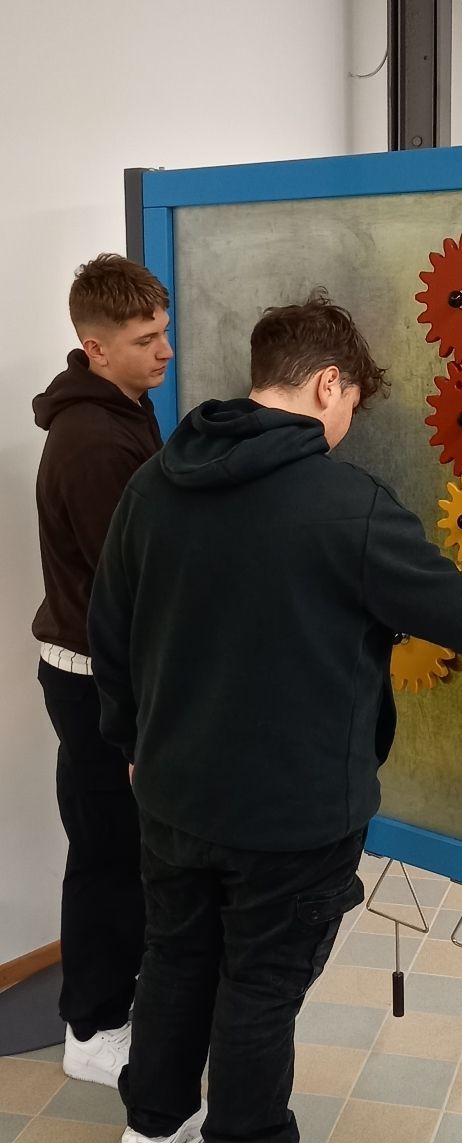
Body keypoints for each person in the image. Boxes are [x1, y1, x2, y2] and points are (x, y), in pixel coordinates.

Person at [88, 290, 462, 1143]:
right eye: (351, 404)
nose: (346, 425)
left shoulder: (156, 482)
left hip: (173, 793)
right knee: (263, 978)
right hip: (291, 811)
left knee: (177, 957)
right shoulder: (344, 504)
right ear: (327, 383)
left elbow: (112, 629)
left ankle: (152, 1131)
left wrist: (133, 744)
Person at [32, 254, 173, 1086]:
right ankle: (91, 1030)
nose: (165, 350)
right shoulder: (91, 442)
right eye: (147, 338)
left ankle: (116, 1002)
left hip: (102, 670)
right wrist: (135, 718)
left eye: (163, 331)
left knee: (121, 847)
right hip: (95, 679)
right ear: (96, 347)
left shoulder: (126, 409)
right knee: (107, 853)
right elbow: (129, 588)